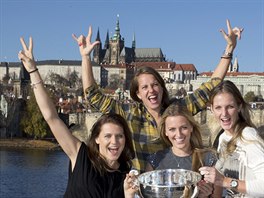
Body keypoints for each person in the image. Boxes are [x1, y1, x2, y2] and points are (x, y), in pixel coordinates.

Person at [72, 19, 243, 173]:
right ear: (138, 94)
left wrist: (229, 49)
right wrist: (86, 57)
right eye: (145, 87)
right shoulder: (129, 113)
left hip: (176, 183)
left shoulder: (177, 110)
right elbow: (93, 96)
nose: (151, 90)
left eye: (155, 85)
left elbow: (210, 86)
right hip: (142, 185)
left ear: (162, 88)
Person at [18, 38, 135, 197]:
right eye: (107, 136)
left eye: (119, 136)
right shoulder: (81, 156)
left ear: (125, 139)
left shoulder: (125, 174)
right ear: (97, 139)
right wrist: (32, 70)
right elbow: (51, 117)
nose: (114, 141)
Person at [199, 80, 264, 197]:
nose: (224, 114)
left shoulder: (248, 136)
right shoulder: (223, 137)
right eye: (218, 107)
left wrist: (224, 181)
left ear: (239, 107)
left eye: (230, 107)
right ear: (212, 109)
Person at [145, 104, 218, 197]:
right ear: (165, 132)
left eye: (184, 128)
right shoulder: (155, 161)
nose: (178, 134)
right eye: (172, 129)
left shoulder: (208, 159)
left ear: (191, 127)